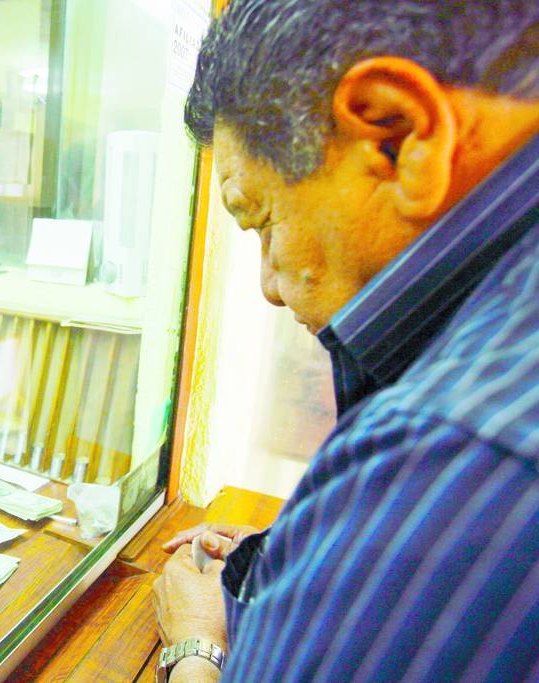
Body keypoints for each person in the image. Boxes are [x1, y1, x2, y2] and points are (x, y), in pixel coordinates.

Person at [153, 1, 539, 681]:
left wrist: (195, 643)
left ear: (397, 133)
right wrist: (322, 545)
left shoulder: (450, 450)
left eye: (261, 219)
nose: (270, 287)